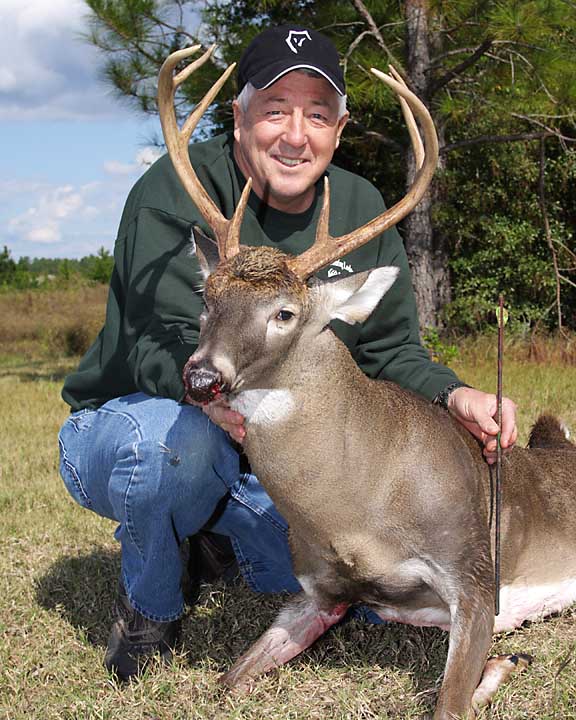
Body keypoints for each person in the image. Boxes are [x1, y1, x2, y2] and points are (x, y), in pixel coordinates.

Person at [58, 25, 517, 681]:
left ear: (340, 126)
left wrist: (455, 394)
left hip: (268, 453)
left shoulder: (359, 207)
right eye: (275, 109)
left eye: (317, 114)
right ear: (238, 115)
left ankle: (212, 535)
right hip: (136, 420)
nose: (296, 135)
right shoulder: (174, 192)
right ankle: (150, 608)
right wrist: (212, 394)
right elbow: (150, 342)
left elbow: (392, 352)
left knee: (351, 585)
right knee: (177, 452)